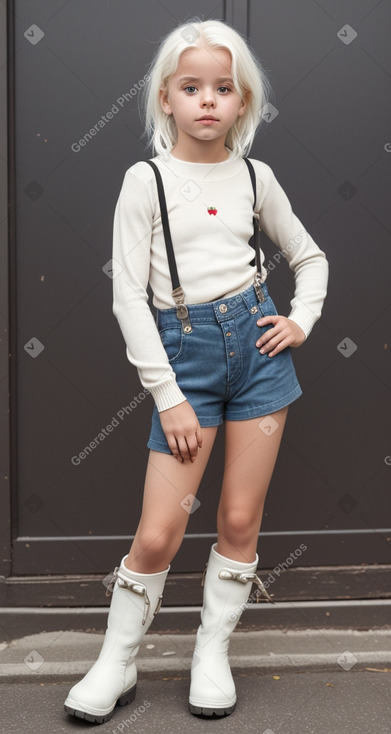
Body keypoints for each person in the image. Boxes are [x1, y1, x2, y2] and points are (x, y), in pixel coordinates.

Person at [64, 16, 328, 725]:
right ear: (165, 100)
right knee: (158, 534)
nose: (207, 100)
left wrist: (299, 319)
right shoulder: (145, 180)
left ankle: (211, 651)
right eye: (191, 87)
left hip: (257, 353)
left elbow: (308, 257)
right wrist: (168, 396)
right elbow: (127, 295)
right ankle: (116, 662)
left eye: (222, 88)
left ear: (241, 102)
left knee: (239, 519)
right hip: (185, 359)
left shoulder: (253, 176)